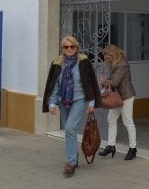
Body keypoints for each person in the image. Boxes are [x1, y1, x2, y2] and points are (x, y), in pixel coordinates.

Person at [42, 35, 102, 177]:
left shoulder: (84, 62)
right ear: (62, 48)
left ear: (77, 47)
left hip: (79, 99)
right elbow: (54, 84)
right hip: (63, 101)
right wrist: (52, 103)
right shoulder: (57, 63)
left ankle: (70, 162)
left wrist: (92, 102)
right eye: (66, 47)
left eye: (72, 46)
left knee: (69, 127)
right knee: (71, 130)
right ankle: (73, 157)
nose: (69, 49)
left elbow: (90, 82)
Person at [98, 44, 137, 160]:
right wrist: (106, 81)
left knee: (128, 121)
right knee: (111, 119)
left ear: (113, 54)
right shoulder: (115, 65)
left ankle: (133, 148)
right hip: (117, 97)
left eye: (108, 58)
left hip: (126, 97)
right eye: (105, 58)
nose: (106, 60)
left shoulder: (122, 65)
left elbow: (114, 83)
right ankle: (111, 146)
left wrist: (105, 81)